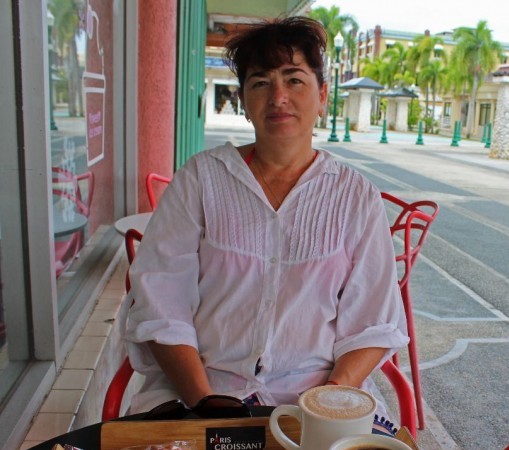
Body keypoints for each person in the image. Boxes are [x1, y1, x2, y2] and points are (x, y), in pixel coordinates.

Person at [123, 17, 408, 418]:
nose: (278, 96)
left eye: (294, 80)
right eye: (260, 82)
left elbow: (374, 322)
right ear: (243, 101)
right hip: (202, 390)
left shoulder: (354, 195)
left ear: (322, 95)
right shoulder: (202, 179)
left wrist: (325, 406)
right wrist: (206, 403)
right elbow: (160, 302)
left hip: (316, 398)